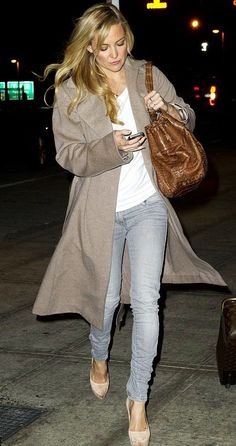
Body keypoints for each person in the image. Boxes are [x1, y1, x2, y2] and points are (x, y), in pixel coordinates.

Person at [32, 3, 226, 445]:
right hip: (99, 211)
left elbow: (186, 118)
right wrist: (112, 147)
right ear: (90, 47)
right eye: (104, 47)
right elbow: (68, 155)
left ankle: (137, 398)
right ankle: (99, 357)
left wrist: (171, 111)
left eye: (121, 43)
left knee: (147, 302)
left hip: (148, 205)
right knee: (104, 306)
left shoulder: (146, 74)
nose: (115, 54)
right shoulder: (73, 88)